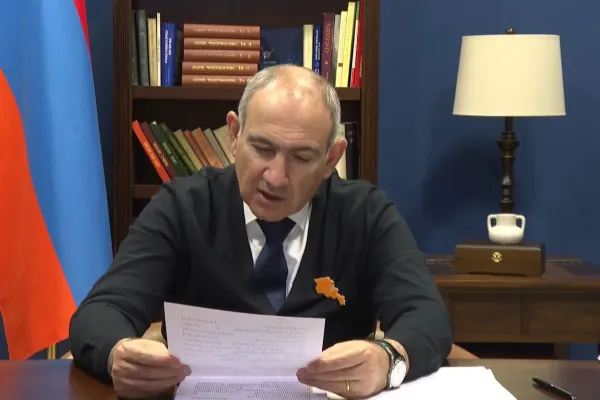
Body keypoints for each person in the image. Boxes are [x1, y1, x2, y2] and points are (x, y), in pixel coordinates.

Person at [69, 64, 453, 399]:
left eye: (301, 157)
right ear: (234, 135)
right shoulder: (182, 207)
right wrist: (119, 354)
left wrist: (388, 360)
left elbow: (427, 317)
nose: (276, 177)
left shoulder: (365, 214)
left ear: (331, 158)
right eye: (262, 148)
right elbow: (102, 312)